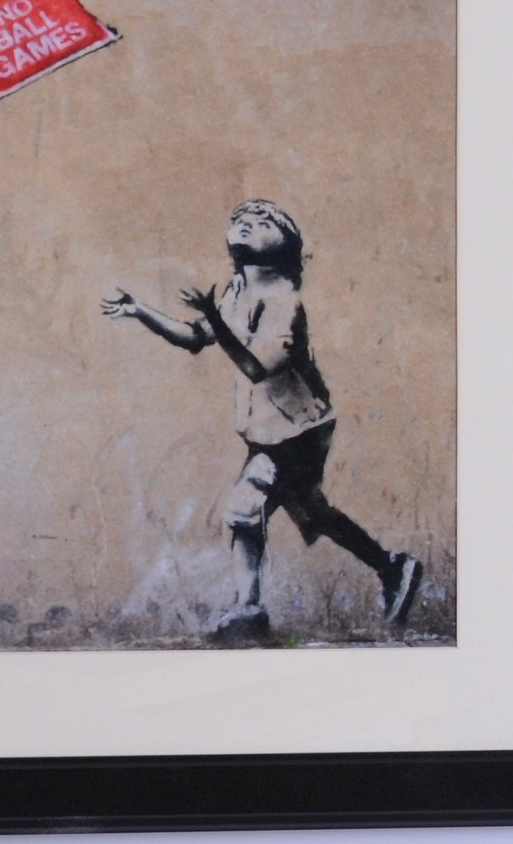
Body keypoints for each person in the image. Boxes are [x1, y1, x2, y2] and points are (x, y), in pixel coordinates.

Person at [101, 199, 421, 640]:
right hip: (268, 431)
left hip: (296, 431)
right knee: (314, 513)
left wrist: (214, 317)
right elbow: (194, 337)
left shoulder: (283, 300)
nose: (246, 225)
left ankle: (248, 607)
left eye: (261, 221)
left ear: (286, 242)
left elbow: (256, 367)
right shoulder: (237, 291)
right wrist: (140, 310)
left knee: (242, 511)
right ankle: (392, 567)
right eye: (241, 221)